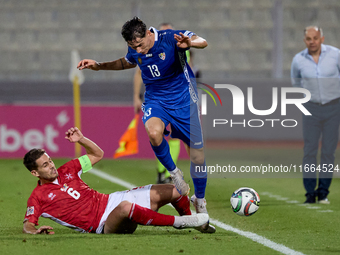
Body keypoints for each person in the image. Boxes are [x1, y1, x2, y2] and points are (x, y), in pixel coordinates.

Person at [77, 17, 215, 233]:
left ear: (149, 34)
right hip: (156, 100)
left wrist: (191, 44)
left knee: (197, 156)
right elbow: (126, 62)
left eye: (141, 45)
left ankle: (201, 200)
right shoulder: (136, 49)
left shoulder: (170, 38)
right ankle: (174, 173)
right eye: (134, 47)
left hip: (183, 100)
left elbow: (203, 40)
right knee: (153, 133)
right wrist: (99, 66)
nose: (138, 50)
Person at [22, 127, 209, 235]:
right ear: (34, 173)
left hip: (111, 200)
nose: (52, 166)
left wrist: (82, 139)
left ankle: (198, 222)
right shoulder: (37, 197)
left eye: (50, 161)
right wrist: (35, 231)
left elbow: (97, 154)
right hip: (102, 223)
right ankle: (182, 221)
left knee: (174, 190)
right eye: (45, 165)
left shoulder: (67, 169)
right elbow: (28, 224)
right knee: (126, 207)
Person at [291, 26, 340, 204]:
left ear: (322, 39)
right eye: (309, 39)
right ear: (305, 41)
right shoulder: (298, 59)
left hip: (333, 107)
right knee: (310, 151)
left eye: (315, 38)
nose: (312, 41)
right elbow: (295, 81)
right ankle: (310, 193)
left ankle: (323, 192)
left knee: (328, 151)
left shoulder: (336, 55)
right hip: (311, 108)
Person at [133, 22, 180, 184]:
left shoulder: (180, 49)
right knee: (156, 134)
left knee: (175, 137)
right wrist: (136, 97)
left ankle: (168, 174)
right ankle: (162, 171)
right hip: (157, 100)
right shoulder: (149, 50)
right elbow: (139, 73)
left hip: (176, 99)